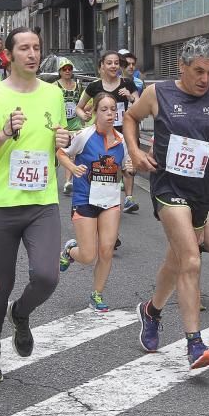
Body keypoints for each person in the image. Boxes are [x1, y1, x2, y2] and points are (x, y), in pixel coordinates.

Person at [123, 36, 209, 369]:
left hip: (202, 189)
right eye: (198, 71)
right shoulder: (158, 92)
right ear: (182, 67)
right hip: (168, 185)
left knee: (177, 259)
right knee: (192, 258)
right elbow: (130, 119)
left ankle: (151, 311)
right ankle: (194, 343)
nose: (205, 79)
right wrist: (135, 152)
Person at [0, 27, 71, 383]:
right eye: (24, 48)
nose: (32, 54)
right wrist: (4, 134)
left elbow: (58, 143)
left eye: (36, 48)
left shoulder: (54, 94)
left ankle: (21, 314)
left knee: (47, 275)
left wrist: (63, 140)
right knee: (1, 282)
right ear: (8, 55)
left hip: (41, 200)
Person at [57, 93, 127, 312]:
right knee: (88, 256)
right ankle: (70, 251)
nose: (109, 114)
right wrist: (73, 168)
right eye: (104, 109)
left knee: (106, 250)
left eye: (112, 109)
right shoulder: (84, 136)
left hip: (110, 201)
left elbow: (125, 166)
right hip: (85, 198)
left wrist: (131, 168)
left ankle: (97, 294)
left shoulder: (122, 141)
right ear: (95, 113)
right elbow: (62, 153)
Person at [76, 51, 140, 214]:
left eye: (116, 63)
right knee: (105, 166)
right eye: (109, 63)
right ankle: (101, 197)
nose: (113, 66)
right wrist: (85, 115)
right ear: (102, 66)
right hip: (101, 133)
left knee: (127, 165)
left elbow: (139, 107)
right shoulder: (94, 86)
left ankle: (128, 198)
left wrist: (130, 97)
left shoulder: (128, 83)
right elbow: (79, 107)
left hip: (123, 131)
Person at [56, 58, 85, 196]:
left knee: (71, 152)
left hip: (75, 123)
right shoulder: (54, 86)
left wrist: (86, 112)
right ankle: (51, 180)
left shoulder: (78, 86)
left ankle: (68, 182)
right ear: (60, 71)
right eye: (64, 69)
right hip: (59, 124)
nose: (67, 71)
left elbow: (85, 102)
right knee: (56, 154)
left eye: (69, 69)